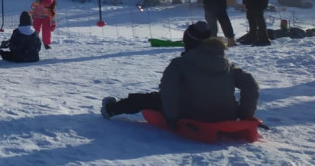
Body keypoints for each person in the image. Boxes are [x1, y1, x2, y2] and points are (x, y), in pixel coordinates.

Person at [101, 21, 258, 124]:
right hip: (227, 115)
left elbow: (169, 92)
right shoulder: (227, 65)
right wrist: (244, 114)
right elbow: (250, 84)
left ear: (188, 42)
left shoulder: (180, 64)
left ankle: (111, 109)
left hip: (190, 114)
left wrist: (173, 118)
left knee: (146, 99)